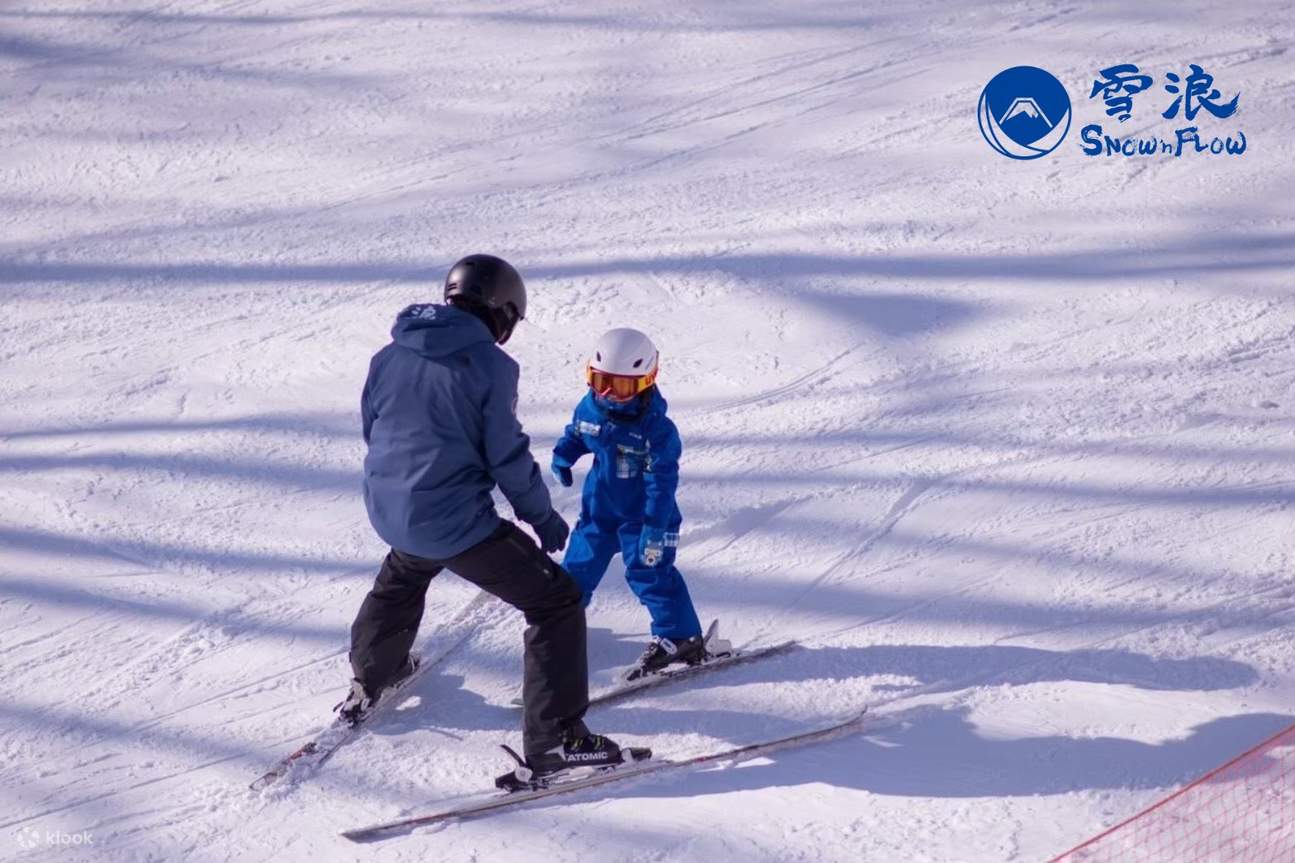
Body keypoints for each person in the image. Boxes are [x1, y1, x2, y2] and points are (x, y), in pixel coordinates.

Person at [342, 253, 625, 780]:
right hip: (449, 520)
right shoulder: (490, 366)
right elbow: (506, 455)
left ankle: (374, 674)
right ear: (502, 312)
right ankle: (557, 739)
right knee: (556, 602)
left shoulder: (389, 353)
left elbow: (372, 426)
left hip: (390, 506)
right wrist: (540, 517)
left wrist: (404, 484)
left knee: (407, 566)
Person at [551, 328, 707, 680]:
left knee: (649, 573)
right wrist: (564, 454)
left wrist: (654, 526)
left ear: (645, 382)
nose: (609, 395)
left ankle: (680, 637)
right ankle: (558, 627)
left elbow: (662, 483)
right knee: (575, 571)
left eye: (621, 386)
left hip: (647, 519)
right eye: (600, 381)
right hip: (600, 513)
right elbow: (577, 432)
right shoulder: (591, 406)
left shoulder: (658, 432)